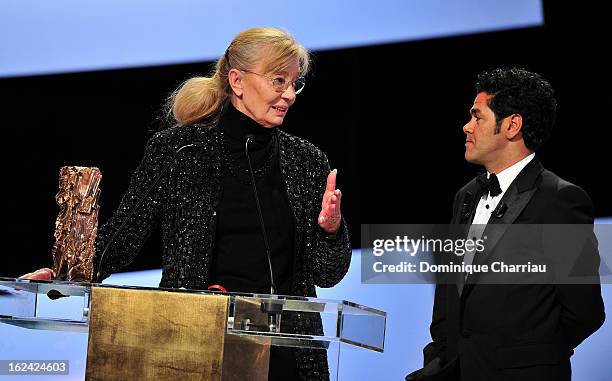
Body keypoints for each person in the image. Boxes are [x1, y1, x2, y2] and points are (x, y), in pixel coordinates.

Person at [23, 27, 351, 381]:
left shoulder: (307, 161)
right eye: (278, 81)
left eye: (294, 83)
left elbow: (327, 274)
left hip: (291, 359)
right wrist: (64, 276)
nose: (289, 94)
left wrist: (330, 230)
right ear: (237, 81)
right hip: (200, 347)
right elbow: (123, 235)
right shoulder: (181, 151)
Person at [406, 67, 605, 381]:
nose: (466, 126)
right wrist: (441, 358)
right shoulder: (465, 196)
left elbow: (584, 312)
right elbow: (450, 294)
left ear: (512, 125)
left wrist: (528, 354)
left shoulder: (561, 200)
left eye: (477, 117)